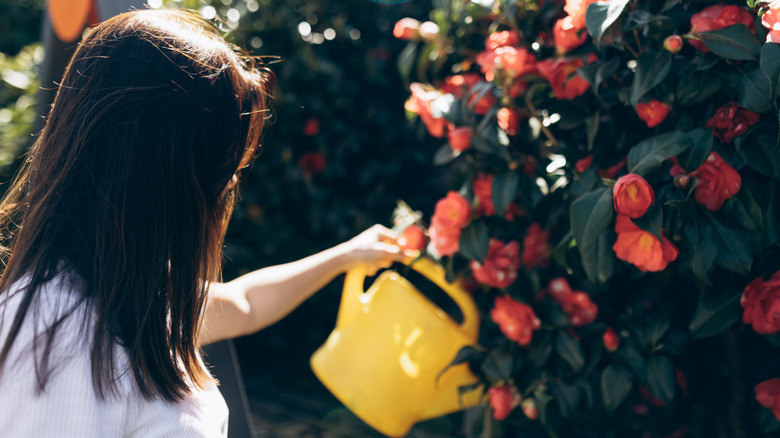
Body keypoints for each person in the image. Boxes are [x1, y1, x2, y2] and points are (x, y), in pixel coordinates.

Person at [0, 9, 412, 437]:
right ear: (165, 168)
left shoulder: (130, 294)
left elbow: (246, 302)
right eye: (222, 163)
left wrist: (348, 255)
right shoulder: (56, 334)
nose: (231, 182)